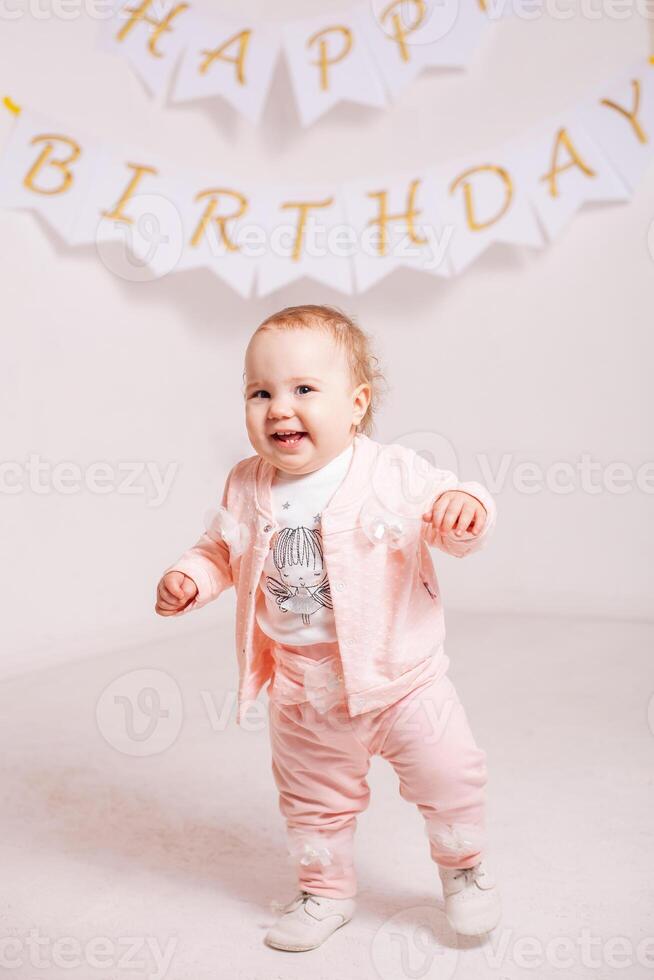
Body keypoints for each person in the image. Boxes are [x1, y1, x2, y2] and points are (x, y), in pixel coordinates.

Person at [155, 304, 501, 951]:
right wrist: (191, 578)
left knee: (448, 771)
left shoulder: (392, 471)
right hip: (302, 686)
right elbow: (220, 549)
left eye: (304, 390)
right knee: (312, 800)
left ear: (356, 404)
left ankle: (464, 870)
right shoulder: (247, 483)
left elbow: (454, 506)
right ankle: (325, 891)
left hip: (403, 679)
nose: (279, 409)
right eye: (261, 392)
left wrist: (465, 509)